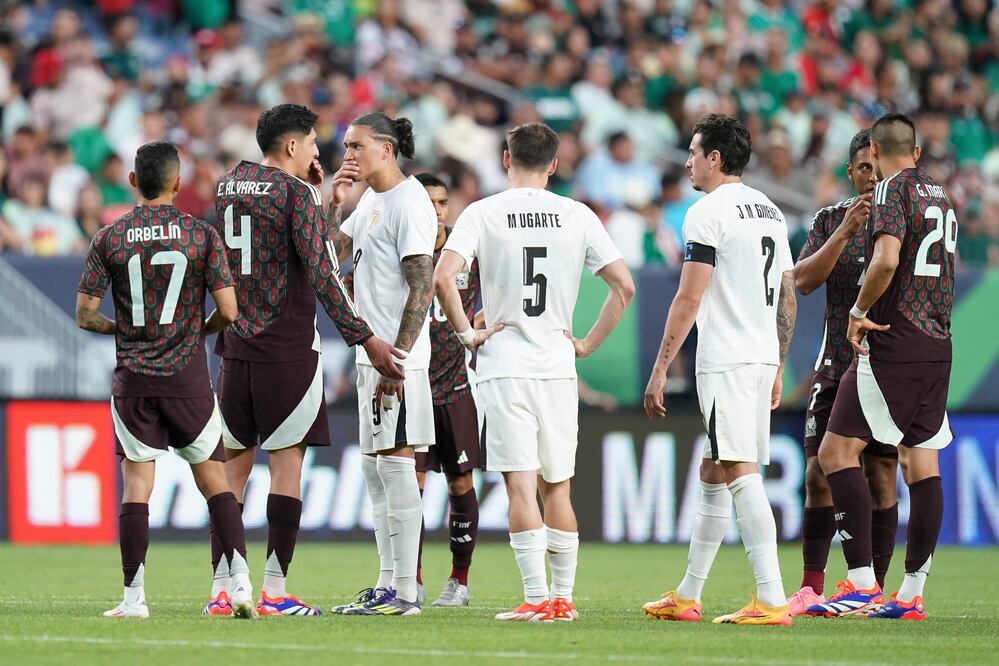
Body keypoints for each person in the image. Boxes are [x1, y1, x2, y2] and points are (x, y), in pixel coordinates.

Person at [207, 104, 403, 617]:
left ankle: (223, 592)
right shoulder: (295, 193)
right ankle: (273, 591)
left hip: (233, 349)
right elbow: (323, 274)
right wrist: (366, 340)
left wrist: (320, 199)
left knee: (232, 473)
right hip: (287, 350)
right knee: (286, 467)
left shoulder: (227, 186)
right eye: (314, 143)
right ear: (292, 146)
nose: (321, 152)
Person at [435, 121, 634, 623]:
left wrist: (467, 333)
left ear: (505, 159)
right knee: (558, 487)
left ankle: (535, 596)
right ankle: (563, 599)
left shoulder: (483, 212)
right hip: (557, 367)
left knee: (521, 486)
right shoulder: (578, 214)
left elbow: (443, 277)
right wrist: (586, 343)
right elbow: (624, 288)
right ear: (555, 164)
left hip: (504, 366)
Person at [76, 141, 255, 619]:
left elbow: (85, 314)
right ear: (177, 183)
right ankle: (239, 583)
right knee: (216, 482)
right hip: (188, 379)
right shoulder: (202, 235)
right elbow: (231, 311)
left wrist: (124, 329)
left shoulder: (108, 239)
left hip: (134, 380)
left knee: (137, 486)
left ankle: (134, 599)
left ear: (134, 181)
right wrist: (196, 328)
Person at [641, 114, 796, 626]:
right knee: (714, 466)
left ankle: (772, 598)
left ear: (714, 158)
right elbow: (787, 295)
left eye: (692, 152)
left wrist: (661, 366)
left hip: (726, 357)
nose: (686, 161)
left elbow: (689, 295)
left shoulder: (706, 211)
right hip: (758, 355)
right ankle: (688, 594)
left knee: (737, 470)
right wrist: (777, 362)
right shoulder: (772, 211)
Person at [806, 113, 956, 621]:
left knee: (835, 451)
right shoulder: (942, 196)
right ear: (916, 151)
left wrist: (858, 311)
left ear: (874, 148)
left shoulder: (892, 191)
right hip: (938, 344)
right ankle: (911, 593)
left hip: (893, 341)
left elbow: (887, 259)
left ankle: (862, 582)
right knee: (921, 464)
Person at [787, 128, 900, 615]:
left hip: (887, 366)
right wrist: (845, 231)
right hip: (835, 363)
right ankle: (812, 586)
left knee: (880, 474)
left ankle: (870, 587)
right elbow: (804, 282)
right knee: (817, 473)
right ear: (851, 172)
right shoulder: (830, 218)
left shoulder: (905, 221)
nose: (872, 177)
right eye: (863, 169)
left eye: (878, 168)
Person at [330, 112, 437, 616]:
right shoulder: (371, 198)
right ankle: (386, 582)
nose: (348, 154)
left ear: (386, 148)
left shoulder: (410, 202)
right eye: (346, 146)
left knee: (397, 466)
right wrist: (332, 203)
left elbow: (423, 282)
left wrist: (398, 358)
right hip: (371, 353)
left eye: (356, 146)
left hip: (397, 357)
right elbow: (330, 254)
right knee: (377, 472)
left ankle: (407, 593)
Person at [413, 172, 482, 608]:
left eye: (441, 202)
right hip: (412, 387)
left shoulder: (467, 252)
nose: (437, 211)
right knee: (410, 489)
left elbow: (502, 285)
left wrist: (481, 317)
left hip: (455, 386)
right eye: (428, 203)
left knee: (460, 483)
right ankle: (411, 578)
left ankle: (460, 580)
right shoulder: (401, 248)